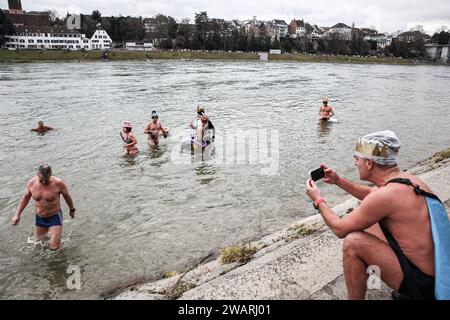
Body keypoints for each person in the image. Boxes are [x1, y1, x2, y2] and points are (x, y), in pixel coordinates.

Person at [305, 130, 449, 300]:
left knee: (353, 243)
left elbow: (339, 229)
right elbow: (371, 196)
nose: (354, 163)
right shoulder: (408, 180)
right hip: (440, 273)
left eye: (357, 158)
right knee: (370, 221)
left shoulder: (386, 195)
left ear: (369, 163)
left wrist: (318, 200)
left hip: (427, 287)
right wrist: (338, 180)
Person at [11, 165, 76, 251]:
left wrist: (72, 210)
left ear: (51, 174)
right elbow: (25, 198)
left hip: (54, 216)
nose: (44, 182)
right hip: (40, 218)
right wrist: (17, 214)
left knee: (55, 247)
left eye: (47, 179)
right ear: (37, 174)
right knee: (38, 245)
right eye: (41, 179)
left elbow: (67, 196)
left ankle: (60, 256)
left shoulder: (58, 183)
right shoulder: (32, 183)